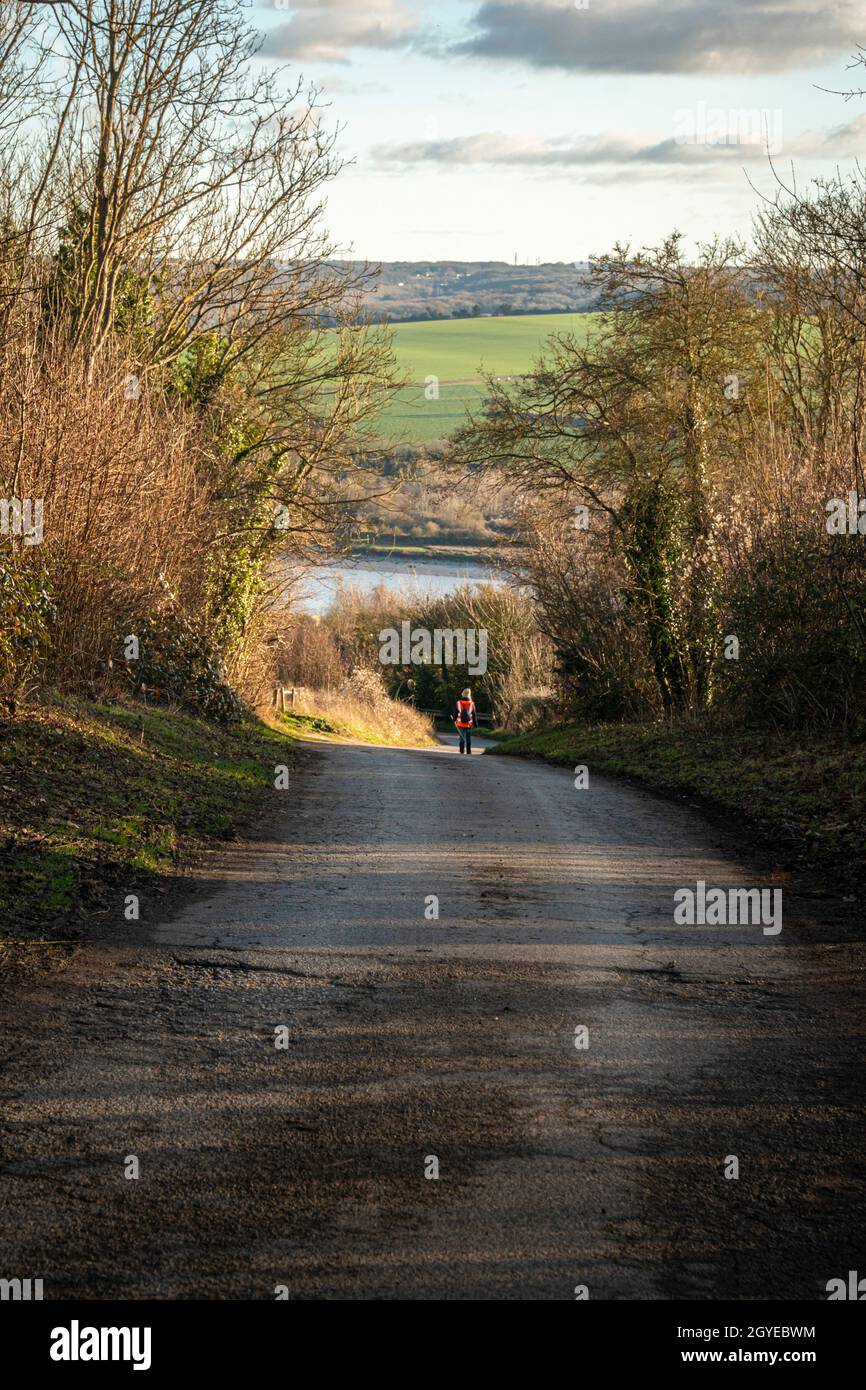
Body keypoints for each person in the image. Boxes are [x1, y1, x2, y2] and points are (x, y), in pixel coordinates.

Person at [453, 687, 476, 754]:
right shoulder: (472, 703)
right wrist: (476, 723)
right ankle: (468, 751)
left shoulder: (458, 703)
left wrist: (454, 720)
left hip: (460, 724)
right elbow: (474, 714)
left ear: (462, 694)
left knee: (462, 737)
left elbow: (456, 713)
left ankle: (461, 750)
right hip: (469, 724)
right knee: (468, 738)